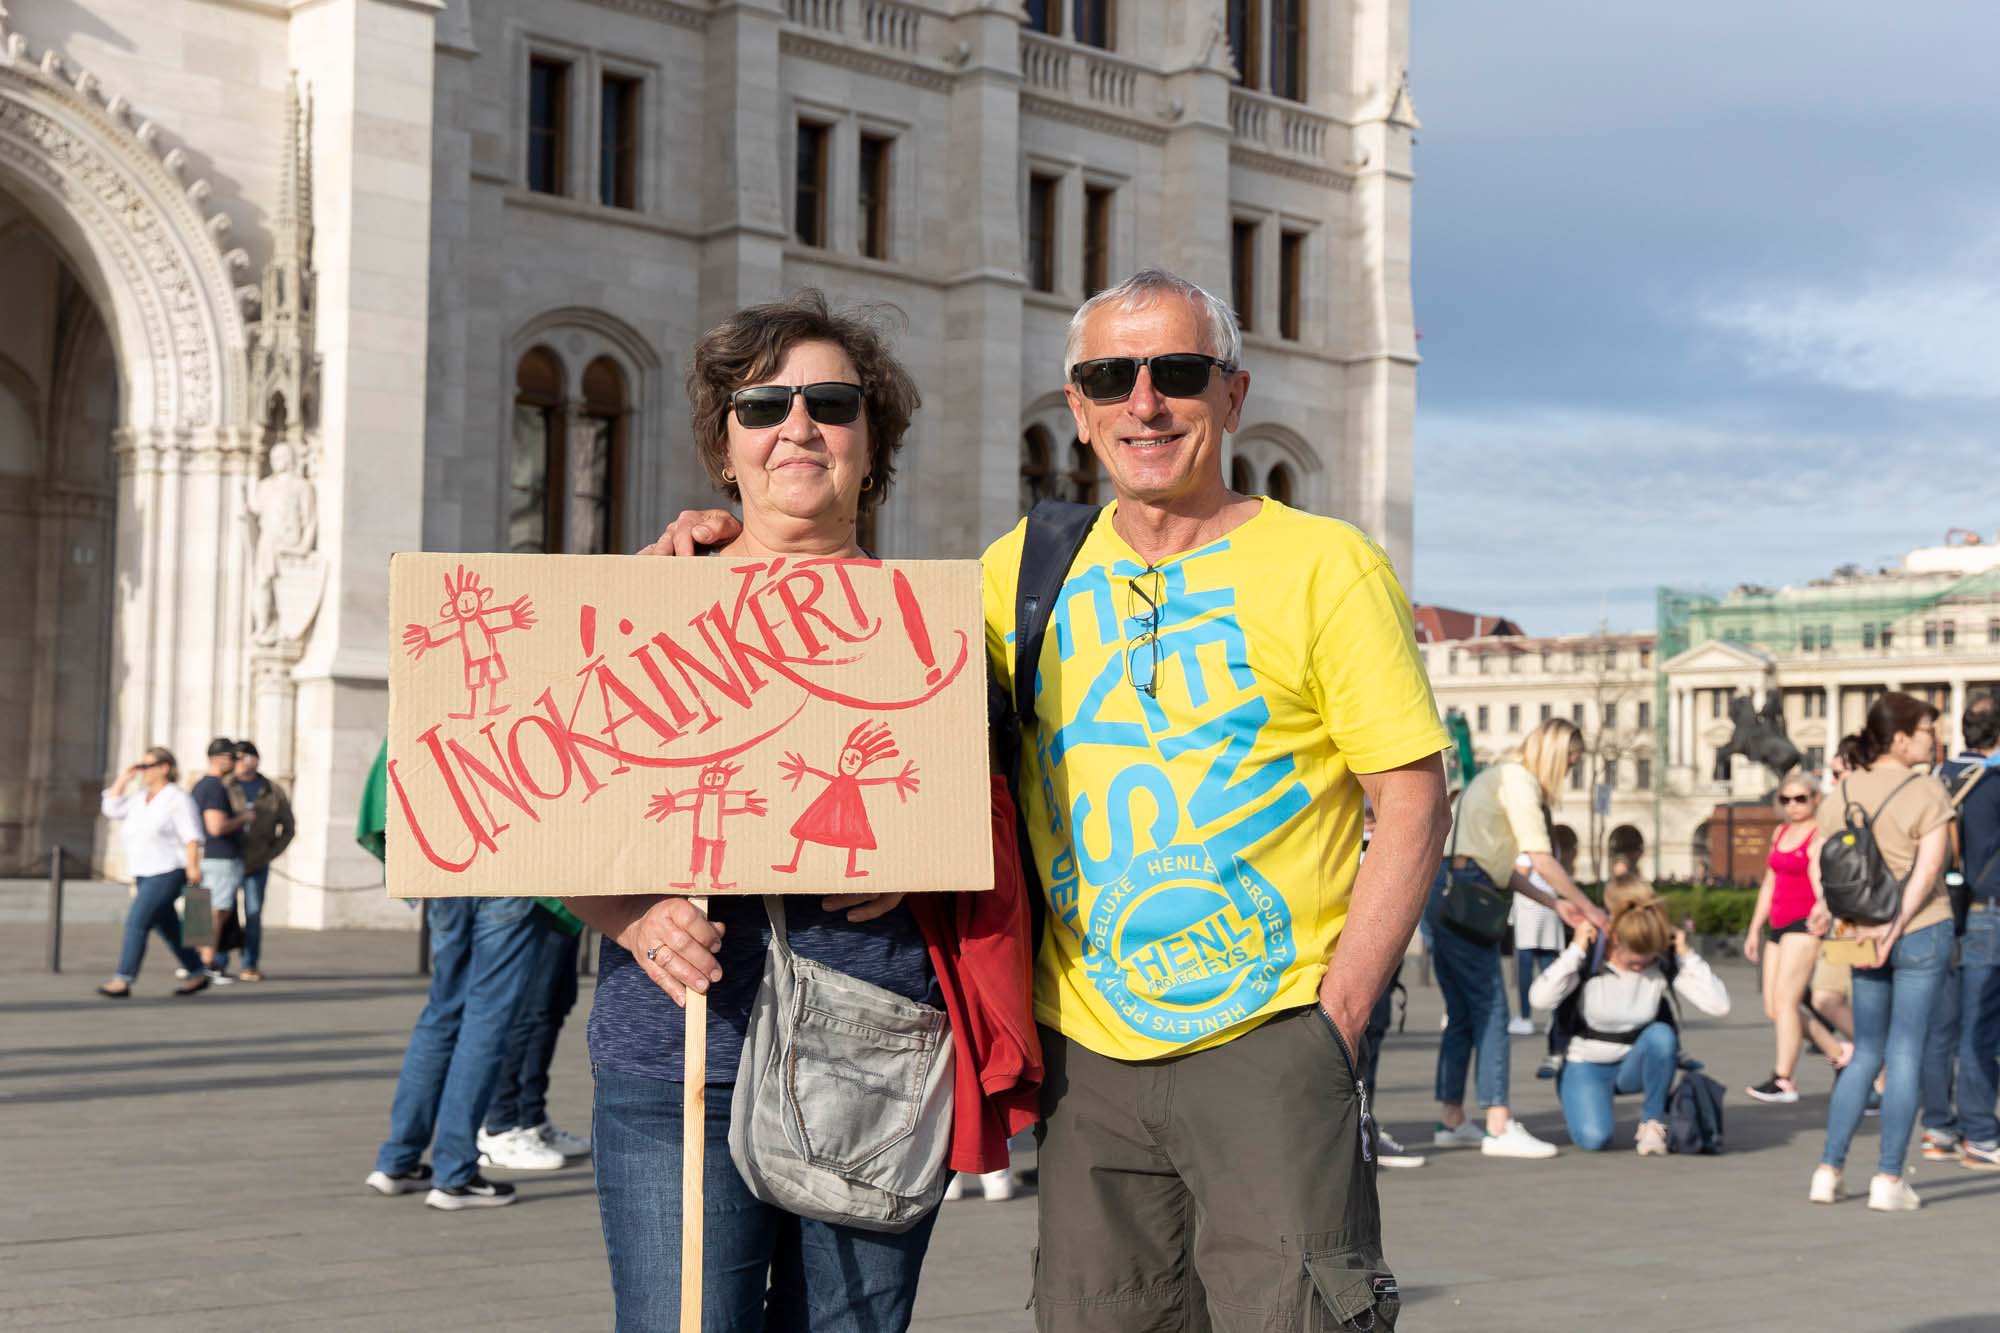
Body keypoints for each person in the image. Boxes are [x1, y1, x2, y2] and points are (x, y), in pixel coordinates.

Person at [651, 268, 1449, 1330]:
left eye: (1176, 372)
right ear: (1077, 408)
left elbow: (1410, 798)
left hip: (1269, 1035)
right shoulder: (1019, 570)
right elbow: (850, 667)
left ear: (1232, 392)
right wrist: (728, 549)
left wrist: (1334, 1022)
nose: (1144, 401)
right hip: (1086, 1053)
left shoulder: (1323, 564)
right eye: (1109, 377)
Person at [569, 292, 945, 1331]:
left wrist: (927, 855)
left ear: (872, 446)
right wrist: (632, 916)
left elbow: (999, 826)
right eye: (762, 403)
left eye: (830, 401)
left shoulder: (941, 631)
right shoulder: (646, 602)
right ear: (723, 449)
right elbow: (551, 813)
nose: (797, 423)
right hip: (676, 1050)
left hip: (870, 1055)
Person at [1428, 718, 1606, 1159]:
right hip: (1474, 898)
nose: (1569, 769)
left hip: (1448, 892)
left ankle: (1451, 1118)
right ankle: (1499, 1123)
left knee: (1464, 1014)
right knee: (1492, 1010)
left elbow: (1491, 861)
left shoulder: (1496, 776)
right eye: (1570, 760)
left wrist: (1555, 905)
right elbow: (1541, 859)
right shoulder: (1520, 782)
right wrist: (1589, 908)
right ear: (1554, 752)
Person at [1808, 692, 1956, 1211]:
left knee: (1865, 1051)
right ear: (1899, 737)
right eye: (1926, 731)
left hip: (1855, 932)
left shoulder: (1845, 789)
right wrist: (1896, 926)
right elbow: (1929, 870)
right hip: (1920, 930)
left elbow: (1821, 859)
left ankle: (1829, 1169)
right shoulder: (1928, 792)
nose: (1933, 740)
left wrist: (1830, 911)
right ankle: (1889, 1177)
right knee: (1905, 1052)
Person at [365, 895, 544, 1210]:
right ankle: (454, 1173)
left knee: (441, 1013)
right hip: (507, 873)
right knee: (486, 1018)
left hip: (447, 874)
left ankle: (398, 1160)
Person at [1533, 896, 1730, 1153]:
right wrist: (1577, 949)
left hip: (1634, 1063)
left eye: (1646, 961)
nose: (1639, 967)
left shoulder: (1659, 966)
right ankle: (1584, 1095)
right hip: (1586, 1063)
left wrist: (1686, 953)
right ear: (1615, 942)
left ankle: (1652, 1122)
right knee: (1595, 1139)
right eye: (1632, 961)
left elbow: (1719, 1005)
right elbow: (1539, 999)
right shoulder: (1591, 962)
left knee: (1662, 1036)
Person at [1918, 692, 2000, 1169]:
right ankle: (1981, 1133)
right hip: (1986, 908)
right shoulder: (1994, 782)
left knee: (1939, 1028)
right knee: (1979, 1027)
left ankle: (1937, 1129)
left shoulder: (1935, 781)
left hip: (1934, 910)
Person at [476, 898, 591, 1171]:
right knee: (528, 1013)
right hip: (539, 902)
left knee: (554, 1006)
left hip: (568, 907)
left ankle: (531, 1119)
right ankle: (500, 1126)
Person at [96, 747, 211, 997]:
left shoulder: (177, 798)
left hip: (169, 870)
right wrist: (124, 778)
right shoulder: (139, 798)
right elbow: (111, 809)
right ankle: (196, 970)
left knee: (137, 921)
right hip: (143, 872)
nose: (143, 771)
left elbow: (192, 835)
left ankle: (123, 978)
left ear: (164, 767)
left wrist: (193, 867)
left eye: (147, 766)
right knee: (167, 926)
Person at [1743, 772, 1828, 1104]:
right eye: (1786, 799)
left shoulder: (1819, 835)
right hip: (1777, 926)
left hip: (1803, 924)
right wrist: (1754, 929)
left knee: (1787, 1002)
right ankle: (1840, 1053)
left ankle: (1783, 1079)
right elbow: (1769, 882)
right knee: (1774, 1007)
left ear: (1815, 799)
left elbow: (1819, 878)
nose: (1793, 805)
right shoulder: (1780, 833)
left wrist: (1823, 906)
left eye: (1800, 799)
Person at [215, 740, 294, 982]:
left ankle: (249, 964)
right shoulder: (225, 785)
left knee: (253, 912)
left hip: (257, 861)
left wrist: (270, 854)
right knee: (223, 911)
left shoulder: (271, 789)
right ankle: (218, 961)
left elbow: (288, 827)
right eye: (234, 759)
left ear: (254, 760)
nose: (236, 763)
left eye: (241, 758)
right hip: (229, 858)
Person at [189, 737, 249, 983]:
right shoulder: (214, 787)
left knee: (201, 911)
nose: (236, 762)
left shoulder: (200, 785)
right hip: (220, 857)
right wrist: (244, 817)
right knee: (216, 912)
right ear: (220, 758)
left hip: (205, 856)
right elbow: (216, 826)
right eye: (233, 757)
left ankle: (194, 964)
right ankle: (207, 965)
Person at [1510, 823, 1576, 1037]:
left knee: (1525, 966)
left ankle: (1525, 1017)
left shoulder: (1527, 847)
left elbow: (1521, 874)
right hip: (1550, 909)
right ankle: (1555, 1017)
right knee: (1550, 965)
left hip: (1530, 912)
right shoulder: (1552, 846)